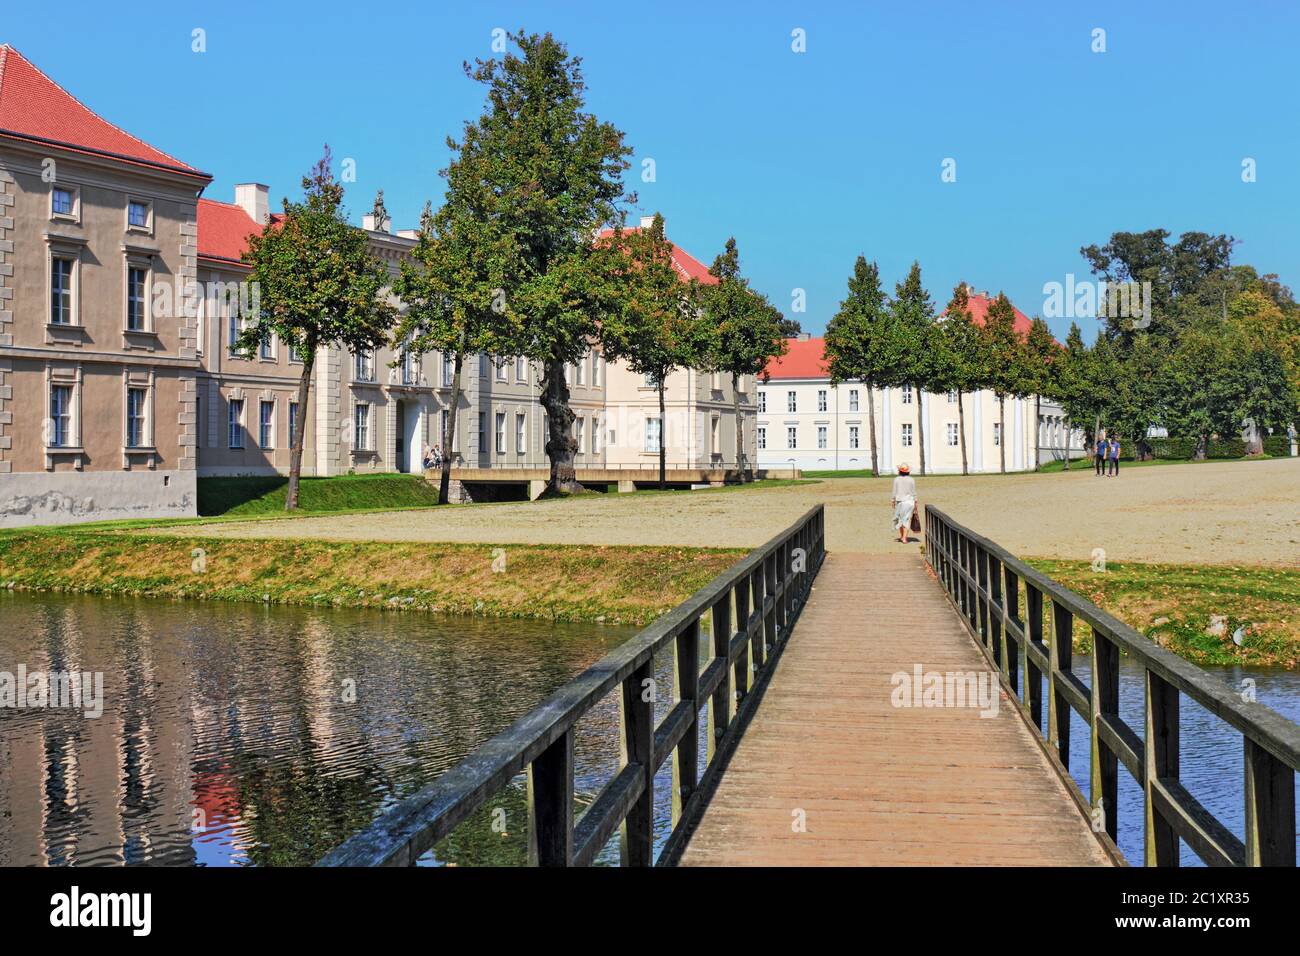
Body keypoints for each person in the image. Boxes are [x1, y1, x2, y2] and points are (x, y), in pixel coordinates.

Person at [891, 463, 919, 544]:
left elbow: (894, 491)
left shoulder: (896, 479)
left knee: (900, 519)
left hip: (900, 501)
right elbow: (914, 492)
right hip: (909, 501)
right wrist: (916, 501)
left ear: (899, 471)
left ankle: (902, 536)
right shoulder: (911, 480)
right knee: (906, 519)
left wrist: (893, 500)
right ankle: (904, 538)